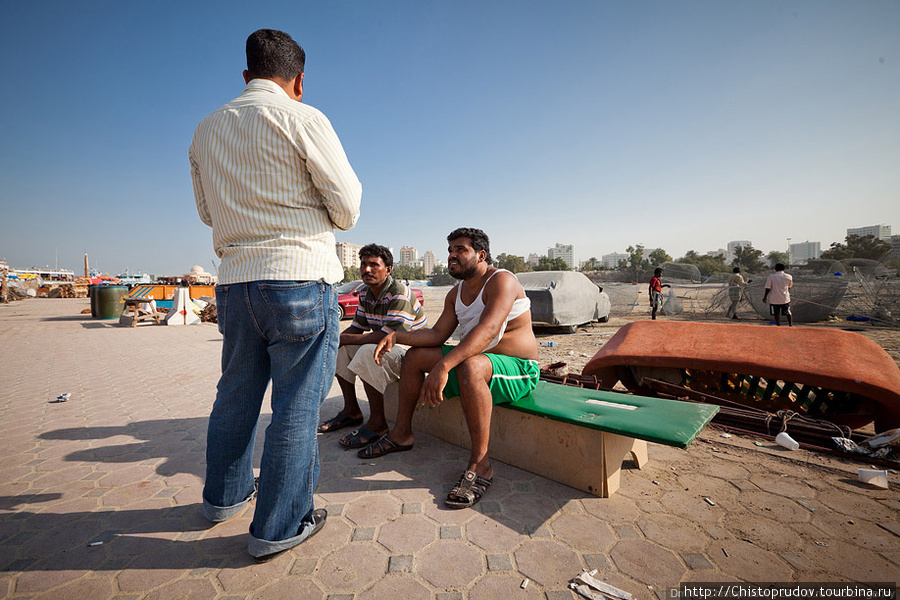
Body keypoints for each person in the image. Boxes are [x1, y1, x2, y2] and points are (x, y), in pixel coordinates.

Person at [189, 29, 361, 559]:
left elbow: (206, 214)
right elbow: (347, 208)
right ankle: (280, 526)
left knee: (235, 395)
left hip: (237, 281)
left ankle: (224, 498)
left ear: (245, 75)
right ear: (299, 80)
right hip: (299, 277)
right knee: (295, 409)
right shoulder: (304, 117)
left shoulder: (205, 129)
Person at [361, 228, 539, 509]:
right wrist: (398, 336)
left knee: (469, 365)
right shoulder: (455, 293)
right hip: (478, 364)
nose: (452, 256)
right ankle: (402, 434)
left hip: (519, 369)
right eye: (450, 251)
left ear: (481, 255)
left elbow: (489, 331)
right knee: (417, 356)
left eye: (460, 250)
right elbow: (436, 335)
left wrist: (444, 365)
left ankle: (480, 465)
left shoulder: (502, 280)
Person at [318, 244, 427, 449]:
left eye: (374, 265)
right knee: (339, 349)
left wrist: (345, 339)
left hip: (410, 352)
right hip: (388, 348)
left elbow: (390, 336)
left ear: (388, 269)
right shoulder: (367, 294)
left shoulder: (399, 292)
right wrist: (333, 340)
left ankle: (378, 423)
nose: (367, 269)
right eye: (364, 264)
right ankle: (352, 411)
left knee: (368, 351)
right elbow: (356, 328)